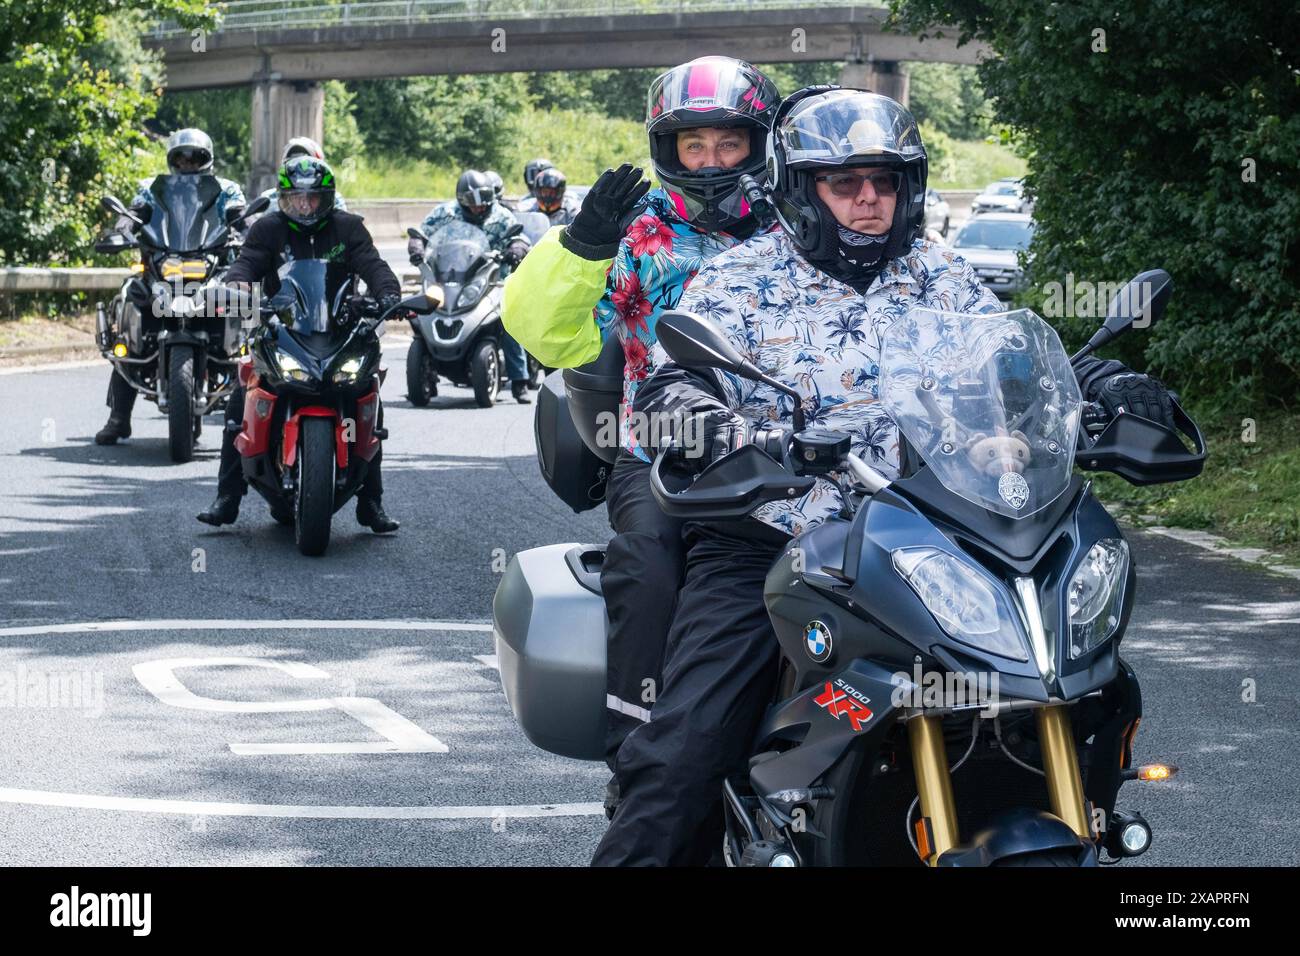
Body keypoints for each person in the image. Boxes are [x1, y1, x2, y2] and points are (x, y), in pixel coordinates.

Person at [593, 86, 1181, 866]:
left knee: (1076, 683)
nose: (870, 200)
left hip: (934, 539)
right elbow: (669, 389)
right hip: (778, 540)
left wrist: (1101, 384)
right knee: (686, 750)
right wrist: (714, 425)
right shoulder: (737, 283)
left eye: (887, 181)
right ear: (801, 192)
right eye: (846, 184)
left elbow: (1011, 364)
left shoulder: (941, 275)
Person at [500, 55, 781, 815]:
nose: (713, 161)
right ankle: (637, 757)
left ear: (762, 144)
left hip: (799, 447)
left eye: (729, 143)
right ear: (669, 150)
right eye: (695, 146)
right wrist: (581, 246)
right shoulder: (636, 230)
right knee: (649, 563)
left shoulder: (804, 221)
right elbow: (543, 334)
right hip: (660, 447)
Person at [196, 155, 403, 533]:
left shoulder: (348, 228)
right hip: (281, 328)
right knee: (241, 394)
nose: (305, 206)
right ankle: (228, 496)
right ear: (283, 199)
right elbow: (246, 263)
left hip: (339, 328)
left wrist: (389, 295)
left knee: (367, 392)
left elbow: (373, 266)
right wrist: (235, 287)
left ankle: (371, 501)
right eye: (297, 199)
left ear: (328, 198)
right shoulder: (268, 230)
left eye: (313, 198)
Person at [95, 128, 246, 445]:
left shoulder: (226, 190)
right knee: (131, 309)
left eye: (195, 157)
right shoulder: (152, 188)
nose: (188, 162)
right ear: (172, 160)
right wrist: (123, 229)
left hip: (211, 264)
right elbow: (135, 213)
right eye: (181, 156)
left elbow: (239, 216)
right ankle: (118, 418)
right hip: (164, 264)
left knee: (248, 318)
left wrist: (250, 230)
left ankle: (246, 424)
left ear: (207, 160)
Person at [410, 170, 534, 402]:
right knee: (420, 313)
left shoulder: (501, 215)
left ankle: (520, 381)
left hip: (493, 279)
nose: (479, 208)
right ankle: (424, 373)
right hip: (451, 279)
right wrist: (416, 245)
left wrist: (516, 248)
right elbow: (421, 232)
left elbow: (520, 238)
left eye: (483, 203)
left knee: (509, 320)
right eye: (472, 205)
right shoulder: (445, 213)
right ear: (461, 201)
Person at [255, 137, 348, 215]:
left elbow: (342, 227)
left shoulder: (333, 198)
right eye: (293, 163)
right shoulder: (268, 198)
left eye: (307, 164)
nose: (300, 171)